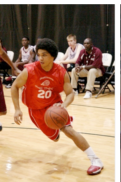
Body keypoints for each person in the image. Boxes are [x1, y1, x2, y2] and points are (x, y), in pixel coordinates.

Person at [10, 38, 103, 175]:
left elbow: (70, 93)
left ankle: (95, 160)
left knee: (69, 130)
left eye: (44, 55)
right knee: (55, 138)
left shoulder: (60, 72)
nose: (40, 58)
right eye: (39, 55)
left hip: (53, 106)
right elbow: (15, 86)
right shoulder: (29, 70)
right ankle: (58, 127)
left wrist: (64, 106)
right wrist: (17, 109)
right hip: (36, 111)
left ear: (52, 56)